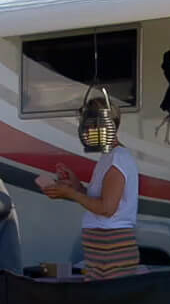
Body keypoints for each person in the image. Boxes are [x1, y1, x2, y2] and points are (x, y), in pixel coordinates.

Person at [41, 97, 140, 279]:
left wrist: (71, 193)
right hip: (100, 254)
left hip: (113, 252)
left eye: (89, 125)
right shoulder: (108, 157)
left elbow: (107, 209)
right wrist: (75, 186)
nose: (85, 131)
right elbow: (97, 201)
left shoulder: (118, 159)